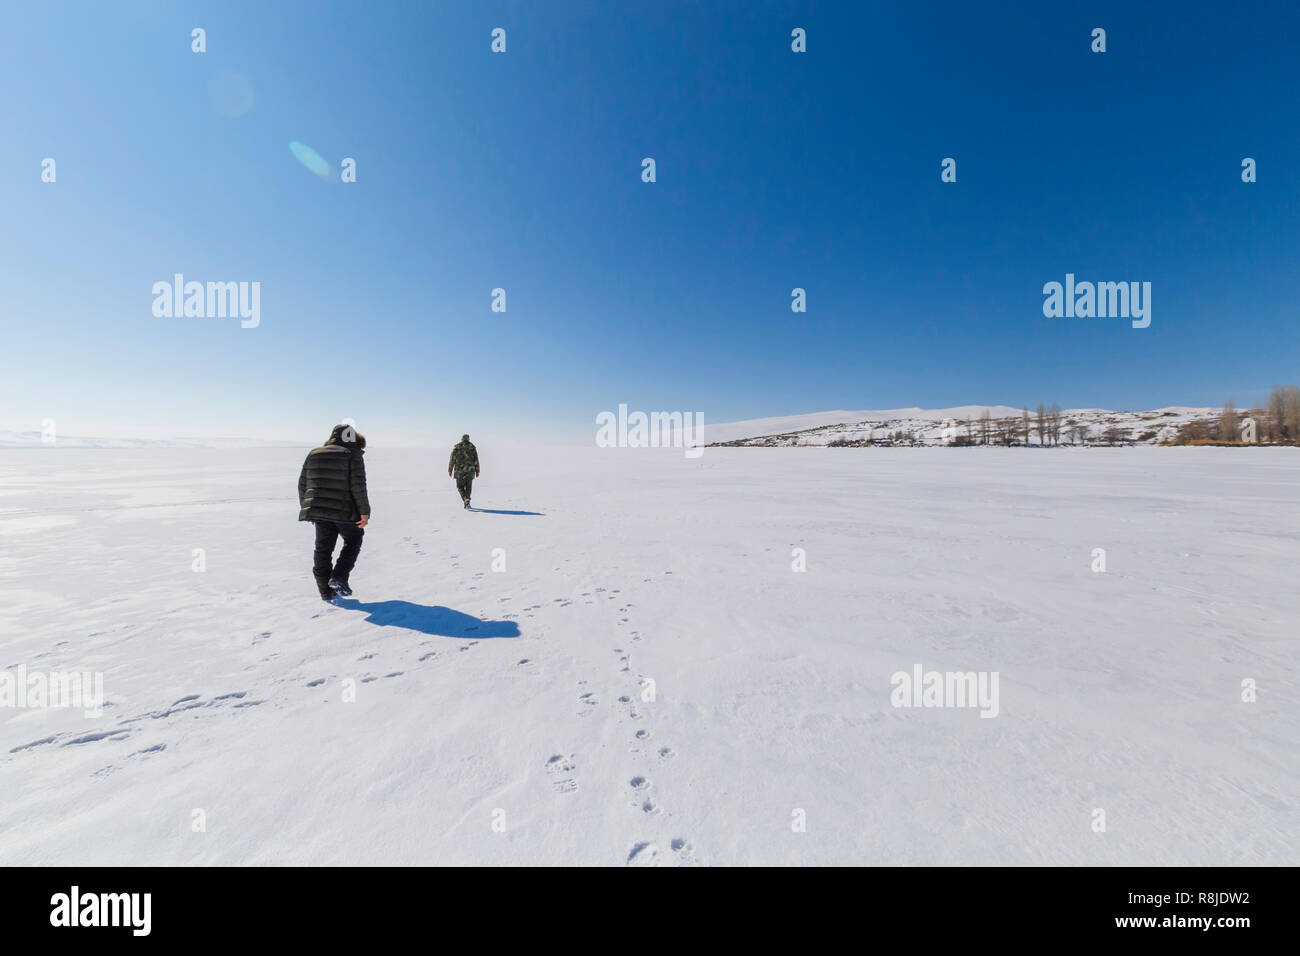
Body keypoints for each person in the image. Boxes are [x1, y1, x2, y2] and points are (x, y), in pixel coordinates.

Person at [298, 424, 370, 600]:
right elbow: (358, 486)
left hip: (319, 510)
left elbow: (303, 484)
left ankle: (325, 592)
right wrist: (364, 512)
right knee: (353, 540)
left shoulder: (314, 453)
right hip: (345, 510)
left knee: (322, 549)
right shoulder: (353, 455)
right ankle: (339, 577)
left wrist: (308, 509)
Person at [448, 433, 480, 509]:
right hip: (470, 471)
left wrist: (450, 470)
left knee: (459, 486)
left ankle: (465, 500)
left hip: (459, 472)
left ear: (461, 439)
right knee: (468, 487)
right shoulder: (472, 448)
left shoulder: (457, 448)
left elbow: (452, 460)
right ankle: (467, 500)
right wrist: (477, 470)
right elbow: (476, 460)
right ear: (468, 439)